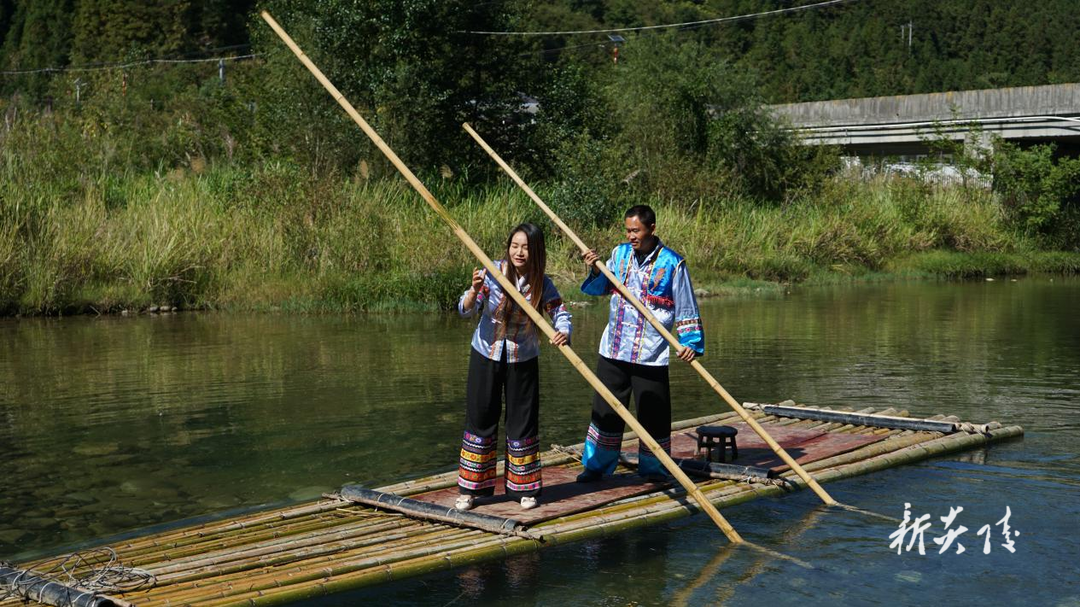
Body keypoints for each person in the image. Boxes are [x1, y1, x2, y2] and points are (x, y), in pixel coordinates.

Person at [575, 205, 704, 482]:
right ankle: (596, 465)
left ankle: (655, 468)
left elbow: (685, 304)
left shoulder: (673, 263)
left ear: (652, 229)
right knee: (605, 409)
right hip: (614, 347)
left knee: (653, 413)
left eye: (637, 230)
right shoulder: (619, 254)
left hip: (650, 351)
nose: (631, 235)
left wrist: (690, 341)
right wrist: (595, 270)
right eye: (628, 230)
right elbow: (601, 289)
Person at [455, 223, 571, 511]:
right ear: (508, 247)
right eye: (515, 246)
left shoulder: (541, 282)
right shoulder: (491, 272)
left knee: (522, 419)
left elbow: (560, 311)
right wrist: (474, 289)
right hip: (486, 352)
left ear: (536, 251)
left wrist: (563, 331)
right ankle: (471, 489)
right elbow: (464, 309)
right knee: (481, 415)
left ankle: (523, 489)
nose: (519, 252)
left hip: (523, 356)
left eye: (526, 247)